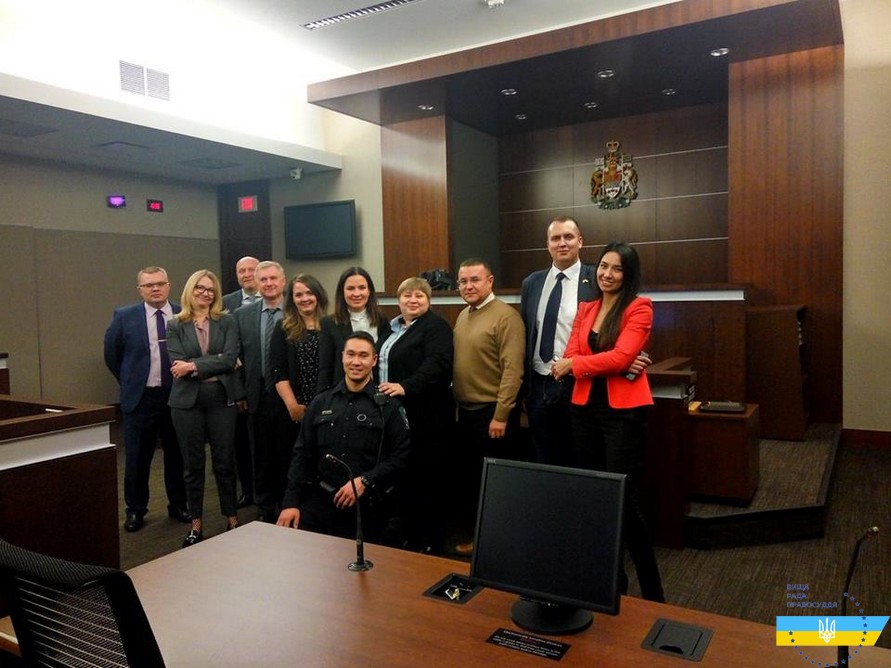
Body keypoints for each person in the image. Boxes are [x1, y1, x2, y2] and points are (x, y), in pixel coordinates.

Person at [552, 241, 665, 602]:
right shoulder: (587, 308)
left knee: (624, 502)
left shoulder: (639, 307)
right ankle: (613, 586)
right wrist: (605, 361)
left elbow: (615, 358)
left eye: (617, 269)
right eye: (603, 266)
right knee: (596, 498)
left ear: (628, 274)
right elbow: (576, 354)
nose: (608, 274)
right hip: (584, 410)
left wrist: (582, 364)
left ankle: (654, 593)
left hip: (622, 415)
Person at [521, 216, 651, 465]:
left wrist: (625, 359)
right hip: (540, 385)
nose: (562, 243)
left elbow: (619, 335)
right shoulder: (531, 283)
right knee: (544, 458)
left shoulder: (597, 279)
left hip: (579, 385)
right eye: (555, 238)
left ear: (580, 241)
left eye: (568, 237)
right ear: (547, 244)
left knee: (581, 462)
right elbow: (527, 333)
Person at [277, 332, 411, 543]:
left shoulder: (389, 406)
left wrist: (366, 481)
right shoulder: (321, 402)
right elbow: (302, 454)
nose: (356, 361)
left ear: (374, 360)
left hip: (368, 506)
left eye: (363, 355)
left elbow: (401, 457)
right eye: (351, 354)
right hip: (322, 502)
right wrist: (290, 503)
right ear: (342, 357)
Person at [103, 266, 189, 533]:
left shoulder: (183, 314)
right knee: (137, 459)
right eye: (149, 285)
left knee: (177, 455)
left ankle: (178, 505)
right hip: (141, 398)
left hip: (177, 396)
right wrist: (130, 380)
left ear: (169, 286)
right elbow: (112, 354)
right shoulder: (124, 316)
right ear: (140, 290)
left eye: (160, 283)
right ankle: (135, 510)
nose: (155, 288)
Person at [451, 258, 525, 555]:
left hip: (493, 414)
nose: (468, 286)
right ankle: (480, 540)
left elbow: (512, 371)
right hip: (467, 413)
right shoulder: (463, 315)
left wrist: (501, 415)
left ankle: (497, 546)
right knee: (472, 480)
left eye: (475, 280)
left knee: (494, 483)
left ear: (490, 281)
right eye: (463, 281)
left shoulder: (506, 317)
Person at [377, 277, 454, 553]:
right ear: (398, 299)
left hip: (426, 416)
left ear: (428, 300)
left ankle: (431, 544)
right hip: (395, 415)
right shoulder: (391, 327)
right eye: (407, 295)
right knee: (405, 478)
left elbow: (437, 363)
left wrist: (405, 386)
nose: (413, 300)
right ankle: (408, 538)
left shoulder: (436, 327)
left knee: (427, 479)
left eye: (419, 295)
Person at [166, 270, 243, 547]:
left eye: (211, 289)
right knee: (193, 466)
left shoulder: (227, 320)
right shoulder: (175, 324)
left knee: (224, 463)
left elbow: (231, 358)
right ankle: (196, 524)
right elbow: (177, 365)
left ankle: (232, 519)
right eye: (200, 287)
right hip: (186, 402)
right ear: (190, 289)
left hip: (221, 399)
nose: (206, 293)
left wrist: (193, 365)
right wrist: (215, 362)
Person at [233, 260, 289, 522]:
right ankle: (265, 507)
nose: (268, 283)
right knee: (261, 454)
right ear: (256, 283)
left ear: (283, 281)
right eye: (263, 279)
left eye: (273, 278)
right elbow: (237, 358)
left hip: (290, 396)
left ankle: (288, 503)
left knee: (287, 452)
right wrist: (240, 393)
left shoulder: (296, 310)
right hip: (256, 395)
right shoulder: (242, 315)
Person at [267, 273, 329, 509]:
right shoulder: (283, 328)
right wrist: (293, 406)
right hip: (294, 409)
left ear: (318, 295)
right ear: (292, 299)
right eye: (299, 294)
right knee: (291, 461)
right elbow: (278, 371)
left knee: (321, 461)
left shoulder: (331, 325)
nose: (305, 298)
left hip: (325, 408)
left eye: (309, 293)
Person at [221, 255, 261, 509]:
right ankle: (248, 490)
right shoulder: (226, 303)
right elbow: (227, 350)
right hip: (240, 384)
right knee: (242, 443)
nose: (246, 274)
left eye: (251, 270)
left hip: (270, 383)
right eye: (241, 271)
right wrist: (237, 391)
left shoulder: (278, 299)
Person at [317, 267, 391, 393]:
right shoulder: (329, 323)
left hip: (378, 393)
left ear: (369, 291)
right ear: (342, 292)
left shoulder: (382, 320)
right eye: (350, 288)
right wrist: (322, 399)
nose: (357, 294)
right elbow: (325, 367)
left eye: (362, 288)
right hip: (342, 395)